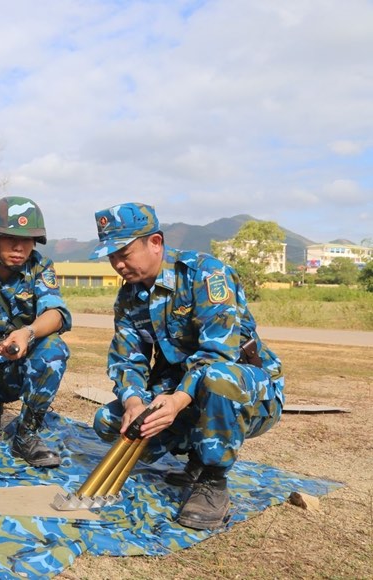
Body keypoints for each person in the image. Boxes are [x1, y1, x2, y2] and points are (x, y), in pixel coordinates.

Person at [89, 202, 284, 530]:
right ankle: (197, 456)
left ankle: (212, 482)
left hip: (247, 391)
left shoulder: (205, 274)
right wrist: (134, 402)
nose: (118, 264)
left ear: (155, 242)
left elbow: (216, 355)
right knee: (109, 422)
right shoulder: (128, 298)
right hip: (182, 391)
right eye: (111, 256)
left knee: (216, 378)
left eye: (124, 253)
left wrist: (177, 401)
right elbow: (127, 359)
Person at [0, 197, 71, 468]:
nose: (19, 247)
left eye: (27, 240)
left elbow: (57, 314)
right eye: (10, 239)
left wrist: (28, 333)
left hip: (16, 370)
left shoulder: (40, 268)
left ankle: (26, 434)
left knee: (54, 348)